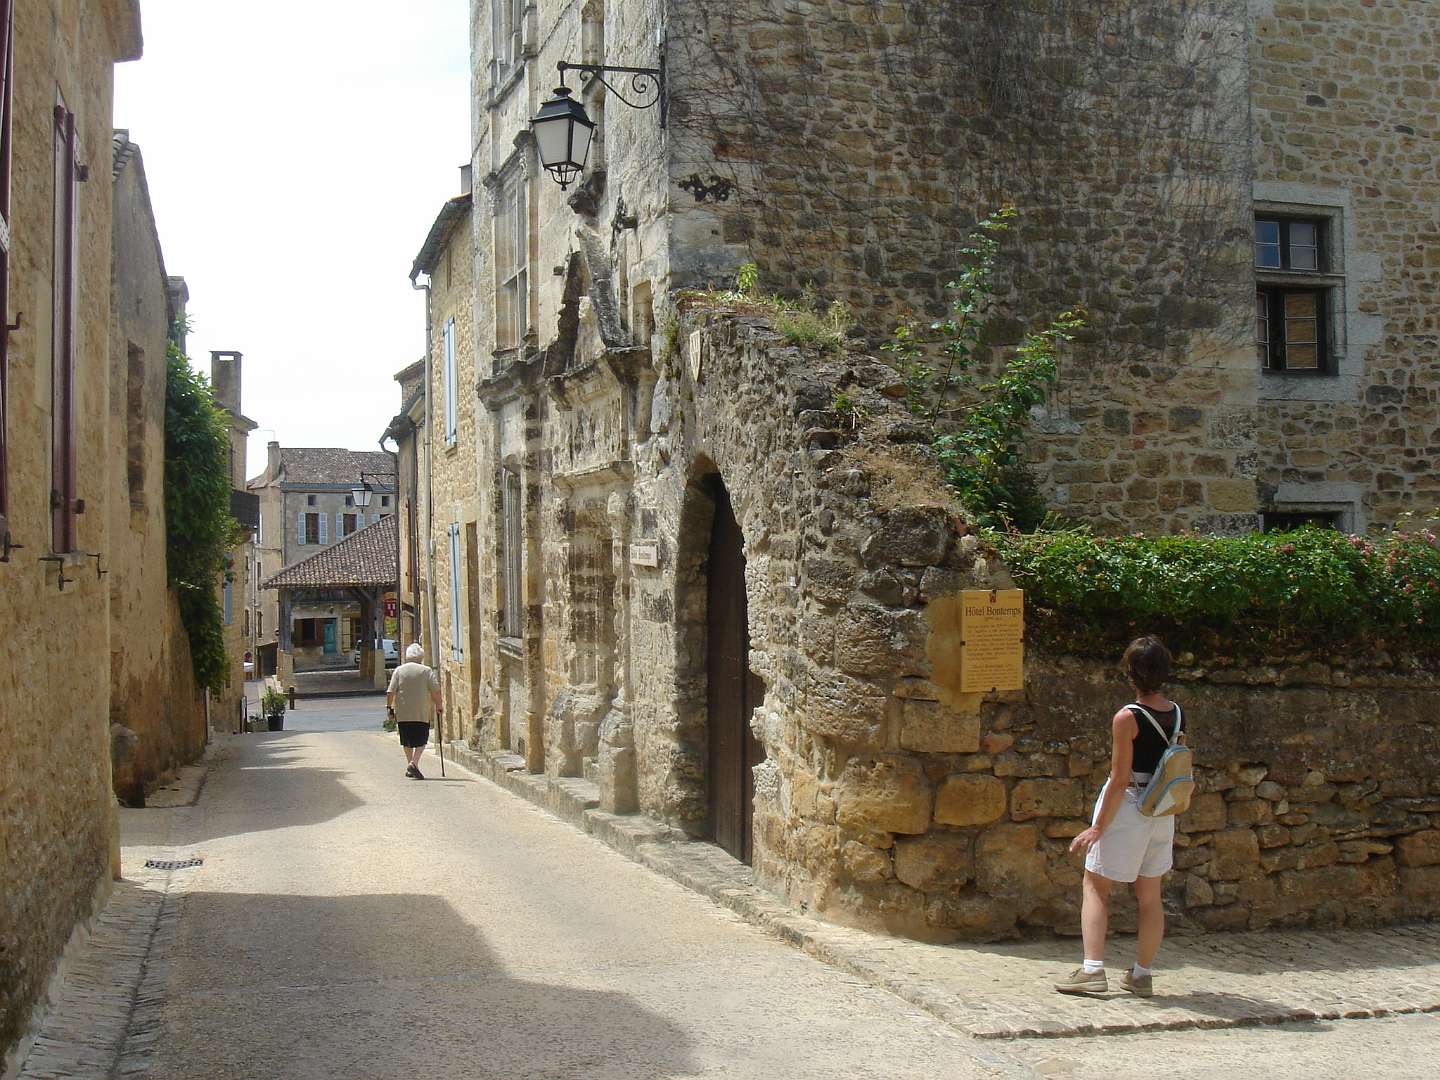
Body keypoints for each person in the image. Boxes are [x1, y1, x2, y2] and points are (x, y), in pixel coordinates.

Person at [1055, 635, 1181, 998]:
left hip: (1130, 805)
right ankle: (1142, 975)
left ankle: (1093, 970)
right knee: (1150, 894)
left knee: (1096, 885)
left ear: (1131, 672)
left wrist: (1097, 826)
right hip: (1162, 808)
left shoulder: (1127, 717)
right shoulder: (1176, 712)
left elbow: (1119, 777)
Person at [386, 643, 443, 779]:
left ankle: (411, 765)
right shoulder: (426, 671)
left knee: (406, 740)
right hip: (421, 712)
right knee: (422, 739)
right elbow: (436, 691)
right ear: (421, 657)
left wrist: (389, 708)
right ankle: (414, 763)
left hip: (403, 712)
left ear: (407, 656)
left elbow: (390, 692)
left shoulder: (399, 671)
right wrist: (439, 705)